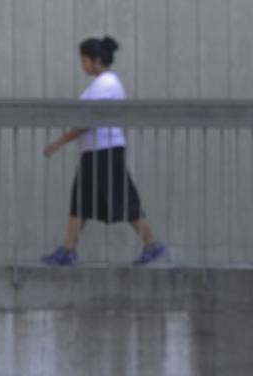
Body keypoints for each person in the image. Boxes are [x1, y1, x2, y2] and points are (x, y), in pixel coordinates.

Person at [41, 36, 165, 266]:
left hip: (105, 151)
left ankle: (151, 244)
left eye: (84, 60)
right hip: (95, 151)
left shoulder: (106, 83)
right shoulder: (102, 83)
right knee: (81, 200)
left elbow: (89, 120)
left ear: (96, 60)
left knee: (122, 197)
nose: (82, 65)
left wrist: (59, 142)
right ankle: (68, 249)